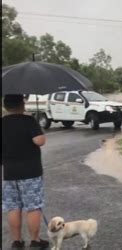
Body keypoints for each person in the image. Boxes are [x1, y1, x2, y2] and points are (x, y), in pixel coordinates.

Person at [2, 94, 49, 249]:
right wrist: (38, 126)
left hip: (9, 172)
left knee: (13, 207)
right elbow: (39, 141)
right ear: (22, 105)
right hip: (30, 171)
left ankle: (17, 241)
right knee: (33, 207)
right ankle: (35, 241)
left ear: (6, 106)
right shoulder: (28, 120)